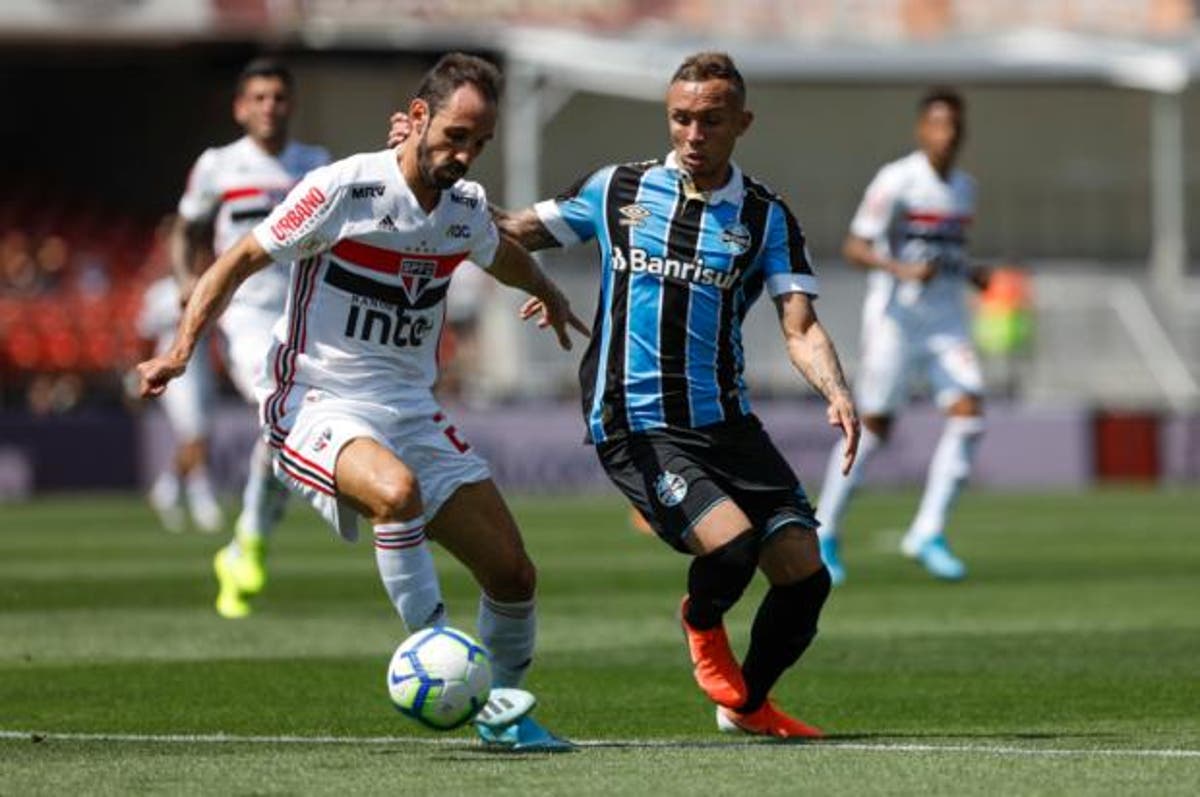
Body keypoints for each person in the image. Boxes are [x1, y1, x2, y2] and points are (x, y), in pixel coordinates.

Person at [391, 52, 859, 738]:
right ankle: (702, 623)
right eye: (680, 118)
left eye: (710, 120)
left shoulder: (765, 217)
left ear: (742, 123)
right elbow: (513, 228)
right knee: (729, 551)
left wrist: (837, 389)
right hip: (636, 421)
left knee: (804, 574)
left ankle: (747, 703)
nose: (692, 133)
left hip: (728, 421)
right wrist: (423, 172)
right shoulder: (620, 190)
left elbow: (802, 324)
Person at [139, 52, 586, 752]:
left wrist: (548, 293)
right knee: (396, 491)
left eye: (479, 143)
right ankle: (435, 654)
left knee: (513, 571)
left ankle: (503, 715)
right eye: (454, 136)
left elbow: (500, 252)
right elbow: (236, 260)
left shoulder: (463, 210)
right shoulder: (345, 189)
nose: (465, 155)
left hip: (410, 410)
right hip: (315, 401)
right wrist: (180, 350)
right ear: (414, 119)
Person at [173, 58, 331, 617]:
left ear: (290, 105)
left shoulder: (315, 166)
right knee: (281, 409)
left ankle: (246, 543)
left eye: (278, 98)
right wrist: (186, 283)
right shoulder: (218, 165)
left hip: (305, 317)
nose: (269, 106)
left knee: (280, 430)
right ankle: (260, 535)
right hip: (245, 316)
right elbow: (188, 228)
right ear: (241, 107)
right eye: (258, 98)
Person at [814, 87, 989, 585]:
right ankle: (825, 529)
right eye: (937, 125)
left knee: (970, 414)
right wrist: (898, 269)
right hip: (895, 320)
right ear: (921, 130)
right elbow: (854, 247)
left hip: (946, 320)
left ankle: (927, 531)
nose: (946, 135)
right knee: (873, 428)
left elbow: (941, 252)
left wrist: (969, 272)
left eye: (954, 127)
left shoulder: (965, 189)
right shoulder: (897, 180)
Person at [136, 275, 224, 534]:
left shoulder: (206, 280)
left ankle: (166, 489)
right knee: (193, 433)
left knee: (201, 435)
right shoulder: (160, 291)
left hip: (201, 366)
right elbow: (145, 329)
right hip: (174, 369)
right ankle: (201, 498)